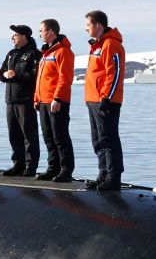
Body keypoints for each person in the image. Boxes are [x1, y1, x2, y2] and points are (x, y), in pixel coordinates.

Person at [83, 10, 126, 191]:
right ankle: (103, 174)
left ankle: (113, 176)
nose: (86, 29)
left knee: (108, 139)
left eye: (88, 25)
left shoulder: (111, 45)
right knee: (98, 140)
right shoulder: (97, 46)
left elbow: (114, 72)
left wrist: (106, 97)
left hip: (106, 100)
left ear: (98, 25)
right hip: (93, 99)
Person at [33, 18, 75, 182]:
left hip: (56, 102)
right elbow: (41, 79)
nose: (40, 34)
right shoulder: (46, 53)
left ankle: (66, 170)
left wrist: (57, 98)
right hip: (43, 101)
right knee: (48, 137)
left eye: (41, 31)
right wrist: (36, 98)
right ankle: (53, 167)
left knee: (60, 137)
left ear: (50, 32)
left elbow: (65, 78)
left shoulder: (63, 52)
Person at [0, 24, 41, 176]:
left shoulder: (34, 54)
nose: (12, 38)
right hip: (10, 101)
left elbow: (34, 77)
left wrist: (15, 75)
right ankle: (18, 163)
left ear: (24, 36)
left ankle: (31, 166)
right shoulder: (11, 53)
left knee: (29, 135)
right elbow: (1, 74)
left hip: (25, 100)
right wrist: (6, 75)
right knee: (14, 134)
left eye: (15, 35)